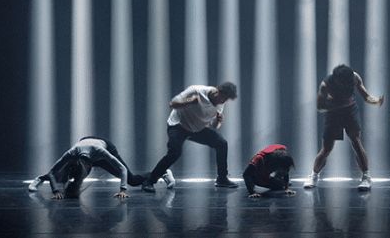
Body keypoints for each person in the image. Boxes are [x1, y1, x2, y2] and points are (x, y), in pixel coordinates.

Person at [142, 82, 239, 192]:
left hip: (196, 129)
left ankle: (222, 179)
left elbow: (214, 125)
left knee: (222, 143)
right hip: (178, 126)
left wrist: (218, 121)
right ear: (218, 90)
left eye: (226, 100)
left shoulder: (220, 104)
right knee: (174, 153)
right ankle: (149, 181)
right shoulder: (196, 91)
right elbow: (173, 104)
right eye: (224, 97)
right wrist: (188, 102)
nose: (223, 101)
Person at [303, 65, 384, 191]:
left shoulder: (354, 77)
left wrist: (376, 101)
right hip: (333, 112)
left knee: (356, 142)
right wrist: (338, 105)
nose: (348, 83)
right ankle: (314, 176)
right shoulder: (326, 85)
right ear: (337, 80)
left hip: (350, 112)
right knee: (327, 148)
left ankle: (366, 177)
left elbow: (366, 95)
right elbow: (319, 107)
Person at [29, 136, 168, 199]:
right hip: (84, 144)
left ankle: (161, 172)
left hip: (103, 145)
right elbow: (52, 172)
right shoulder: (71, 154)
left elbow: (122, 169)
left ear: (90, 167)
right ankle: (39, 179)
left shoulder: (101, 153)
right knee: (61, 176)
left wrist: (123, 190)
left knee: (131, 180)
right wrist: (55, 191)